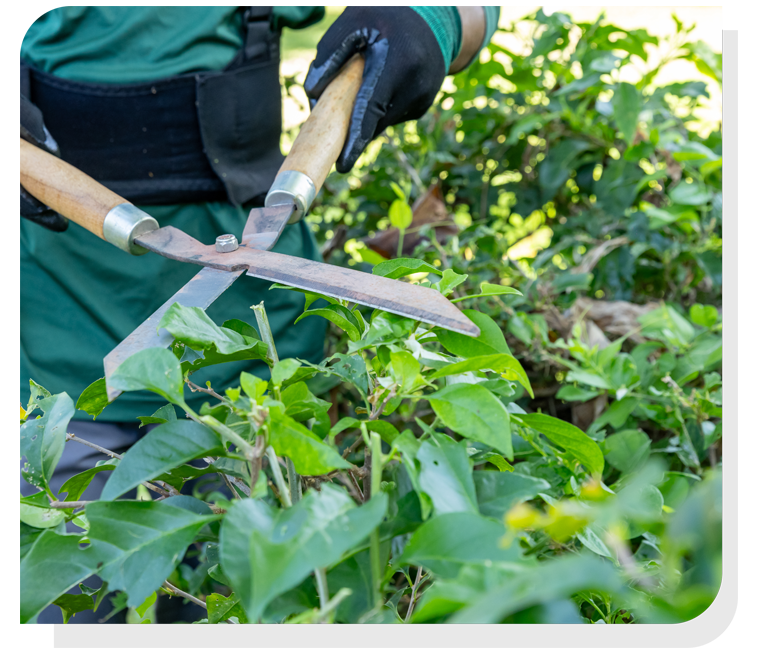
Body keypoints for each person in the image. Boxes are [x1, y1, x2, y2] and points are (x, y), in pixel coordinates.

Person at [20, 6, 501, 632]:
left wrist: (423, 22)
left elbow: (469, 14)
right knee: (76, 615)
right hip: (62, 356)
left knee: (276, 608)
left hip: (263, 362)